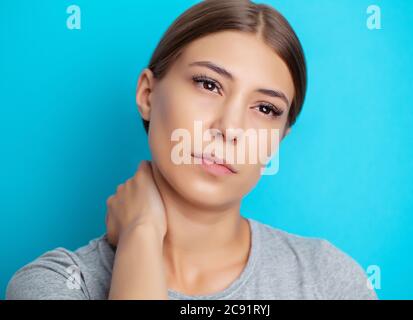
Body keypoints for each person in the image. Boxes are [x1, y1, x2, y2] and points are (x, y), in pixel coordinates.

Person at [6, 0, 377, 300]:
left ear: (279, 138)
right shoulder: (60, 284)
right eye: (208, 84)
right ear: (147, 95)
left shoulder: (329, 281)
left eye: (265, 109)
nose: (229, 128)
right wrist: (141, 235)